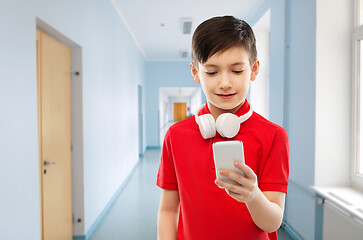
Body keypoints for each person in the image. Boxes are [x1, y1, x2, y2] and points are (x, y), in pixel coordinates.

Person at [156, 16, 289, 240]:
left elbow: (272, 222)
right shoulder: (175, 136)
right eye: (212, 72)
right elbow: (168, 209)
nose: (225, 83)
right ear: (195, 72)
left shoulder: (273, 136)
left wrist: (253, 196)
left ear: (254, 69)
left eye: (237, 71)